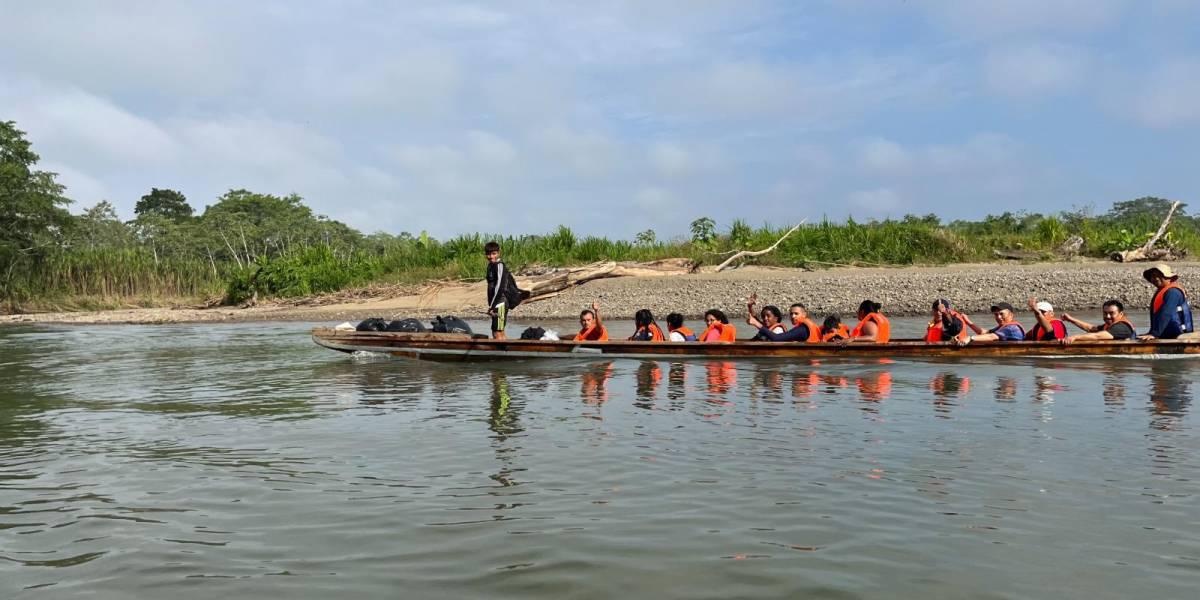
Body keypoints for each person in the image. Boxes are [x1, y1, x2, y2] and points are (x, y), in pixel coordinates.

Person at [1139, 264, 1194, 340]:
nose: (1156, 279)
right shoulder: (1161, 291)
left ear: (1170, 278)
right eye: (1153, 276)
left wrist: (1155, 334)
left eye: (1160, 276)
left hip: (1178, 335)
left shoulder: (1173, 292)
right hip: (1164, 334)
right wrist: (1151, 332)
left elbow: (1166, 312)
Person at [485, 240, 525, 340]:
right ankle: (505, 351)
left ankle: (503, 354)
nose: (491, 256)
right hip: (497, 303)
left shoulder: (499, 266)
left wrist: (492, 306)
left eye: (494, 253)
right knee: (498, 331)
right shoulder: (490, 266)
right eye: (489, 254)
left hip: (501, 303)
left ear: (498, 253)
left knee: (497, 332)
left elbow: (500, 287)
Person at [1060, 300, 1136, 344]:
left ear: (1121, 314)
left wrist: (1075, 337)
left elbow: (1097, 336)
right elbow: (1091, 329)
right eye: (1105, 313)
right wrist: (1070, 319)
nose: (1108, 316)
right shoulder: (1110, 325)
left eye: (1111, 313)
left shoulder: (1122, 327)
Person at [749, 301, 820, 342]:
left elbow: (777, 338)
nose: (793, 316)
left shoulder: (802, 329)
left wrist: (756, 323)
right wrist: (750, 307)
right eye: (791, 314)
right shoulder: (800, 328)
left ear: (804, 314)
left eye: (796, 314)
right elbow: (762, 326)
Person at [958, 302, 1024, 344]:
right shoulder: (1004, 326)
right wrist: (968, 322)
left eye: (1001, 314)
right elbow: (984, 333)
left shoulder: (1012, 328)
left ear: (1011, 315)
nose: (998, 317)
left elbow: (991, 336)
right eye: (996, 314)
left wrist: (970, 338)